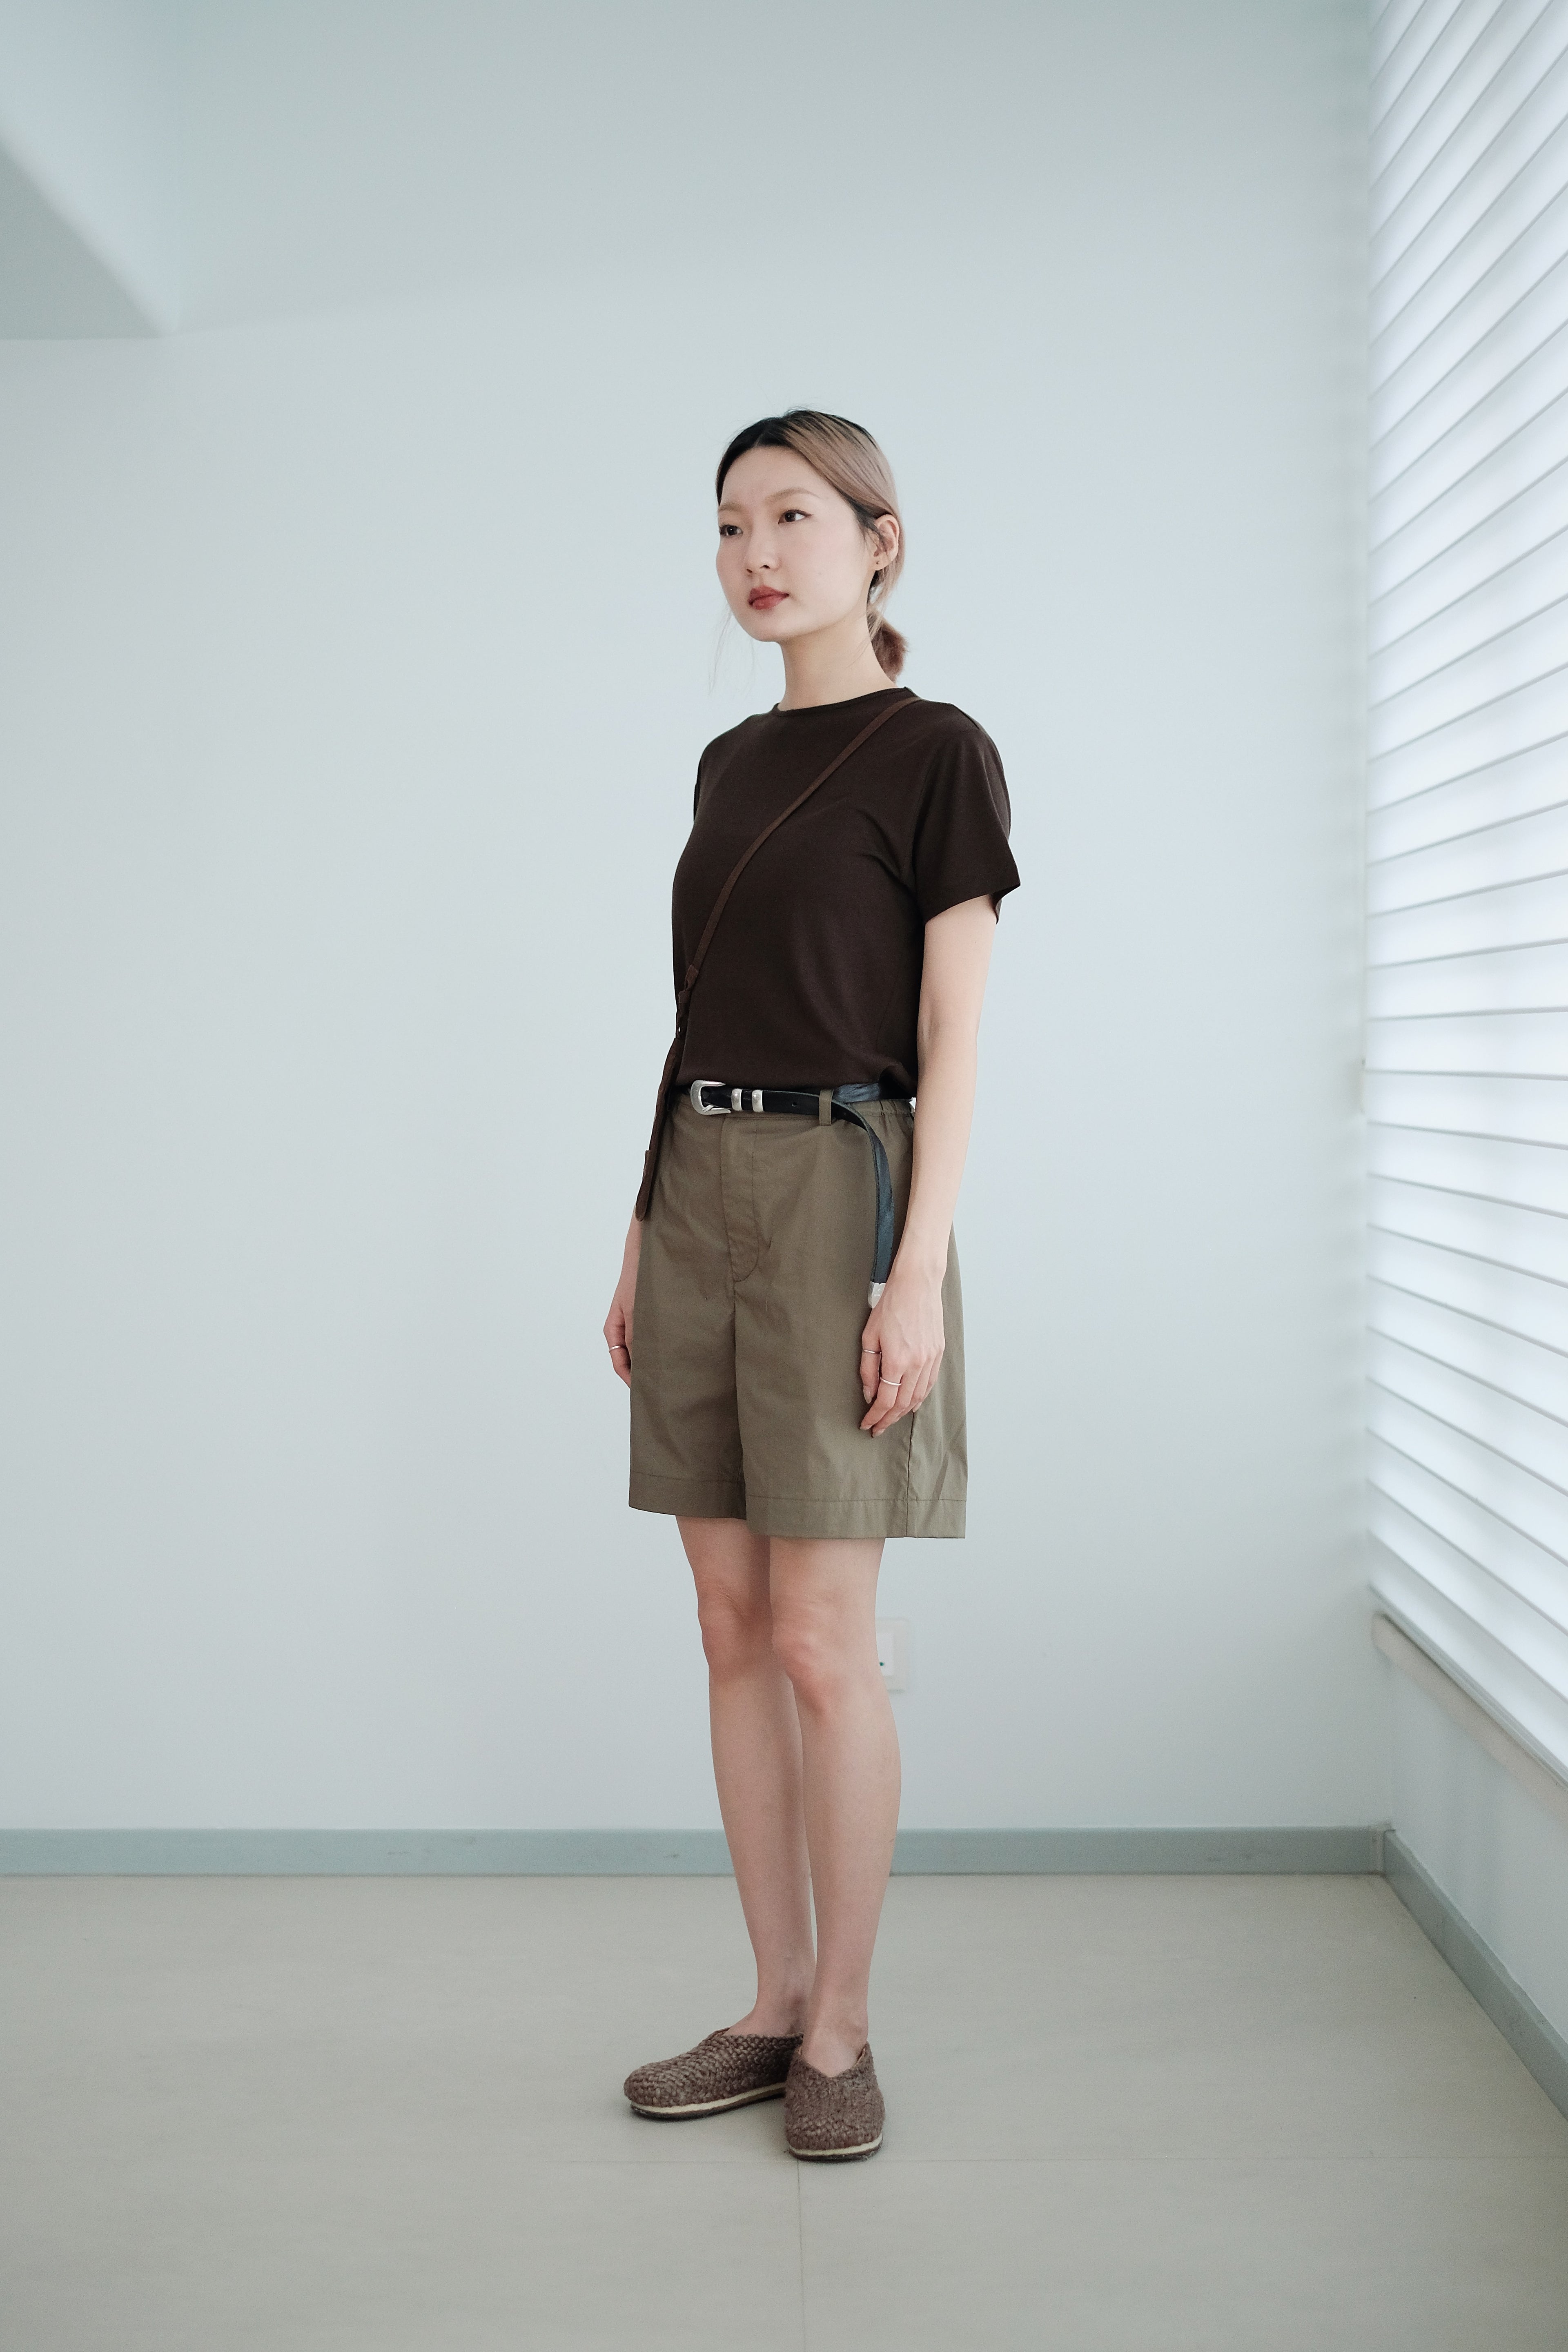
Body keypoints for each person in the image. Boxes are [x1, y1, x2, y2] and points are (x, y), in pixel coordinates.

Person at [604, 410, 1019, 2160]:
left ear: (879, 541)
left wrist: (914, 1275)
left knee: (820, 1639)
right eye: (730, 525)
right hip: (697, 1185)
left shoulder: (938, 753)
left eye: (792, 516)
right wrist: (641, 1231)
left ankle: (842, 2026)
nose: (756, 553)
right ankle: (769, 2005)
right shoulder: (726, 764)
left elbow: (954, 1040)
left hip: (848, 1188)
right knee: (725, 1624)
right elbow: (698, 1019)